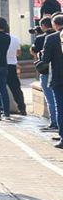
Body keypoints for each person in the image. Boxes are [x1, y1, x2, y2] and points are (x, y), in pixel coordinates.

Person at [39, 15, 63, 149]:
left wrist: (40, 56)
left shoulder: (52, 38)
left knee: (61, 108)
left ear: (54, 25)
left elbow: (46, 60)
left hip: (58, 78)